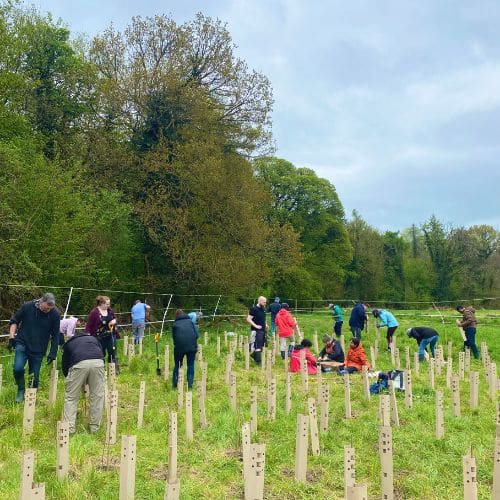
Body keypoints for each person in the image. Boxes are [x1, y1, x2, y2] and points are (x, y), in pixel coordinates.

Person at [8, 292, 61, 402]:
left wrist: (53, 352)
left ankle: (30, 400)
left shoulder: (55, 314)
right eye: (46, 308)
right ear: (41, 301)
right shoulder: (27, 306)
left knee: (34, 378)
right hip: (22, 343)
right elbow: (14, 321)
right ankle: (21, 390)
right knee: (17, 368)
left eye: (49, 309)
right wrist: (11, 337)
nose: (47, 311)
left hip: (39, 348)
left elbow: (56, 334)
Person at [62, 331, 105, 434]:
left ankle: (69, 429)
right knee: (97, 396)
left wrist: (71, 380)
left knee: (71, 397)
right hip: (98, 361)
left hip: (79, 362)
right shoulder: (94, 339)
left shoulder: (69, 343)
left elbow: (65, 365)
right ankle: (95, 429)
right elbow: (102, 353)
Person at [85, 296, 118, 370]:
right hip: (99, 337)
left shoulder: (109, 310)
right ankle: (101, 370)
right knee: (101, 354)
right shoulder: (94, 312)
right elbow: (88, 325)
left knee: (112, 352)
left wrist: (114, 321)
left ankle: (113, 370)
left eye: (109, 304)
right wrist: (88, 335)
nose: (108, 305)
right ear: (101, 304)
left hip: (111, 335)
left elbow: (115, 318)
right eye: (107, 304)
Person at [172, 309, 199, 390]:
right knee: (190, 365)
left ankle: (175, 385)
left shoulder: (175, 324)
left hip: (179, 348)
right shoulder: (191, 322)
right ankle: (190, 386)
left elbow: (174, 338)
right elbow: (197, 335)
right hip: (192, 346)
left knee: (177, 365)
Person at [247, 296, 268, 366]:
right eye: (264, 302)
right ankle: (258, 363)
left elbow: (263, 319)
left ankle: (253, 355)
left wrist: (266, 324)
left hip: (263, 330)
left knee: (261, 346)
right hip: (256, 331)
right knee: (258, 347)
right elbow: (248, 319)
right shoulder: (254, 309)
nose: (265, 303)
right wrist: (256, 326)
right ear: (260, 301)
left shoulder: (263, 309)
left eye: (265, 302)